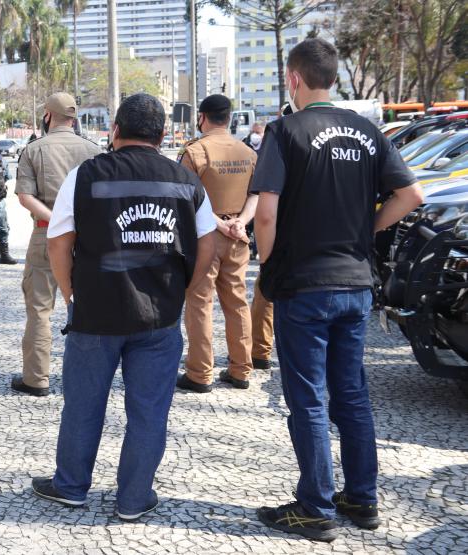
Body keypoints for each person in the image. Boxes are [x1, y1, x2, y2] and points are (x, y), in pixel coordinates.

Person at [252, 38, 423, 542]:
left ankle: (315, 507)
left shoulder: (285, 131)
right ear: (335, 78)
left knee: (307, 398)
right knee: (351, 394)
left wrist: (269, 262)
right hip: (355, 281)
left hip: (304, 283)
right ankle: (362, 498)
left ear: (294, 79)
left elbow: (265, 212)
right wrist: (365, 231)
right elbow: (412, 194)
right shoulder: (370, 131)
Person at [30, 93, 216, 521]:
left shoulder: (86, 175)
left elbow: (59, 241)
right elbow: (208, 243)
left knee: (83, 403)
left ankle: (71, 486)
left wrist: (70, 293)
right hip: (160, 316)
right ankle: (133, 498)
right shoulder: (185, 181)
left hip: (96, 313)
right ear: (164, 134)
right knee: (149, 411)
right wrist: (185, 286)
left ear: (114, 130)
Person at [13, 92, 103, 396]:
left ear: (47, 116)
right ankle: (89, 377)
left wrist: (56, 221)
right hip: (88, 236)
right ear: (74, 118)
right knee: (91, 306)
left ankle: (36, 379)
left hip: (46, 233)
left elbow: (25, 197)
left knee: (40, 308)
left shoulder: (33, 150)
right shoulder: (93, 150)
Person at [176, 93, 258, 393]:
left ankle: (200, 373)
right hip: (238, 235)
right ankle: (241, 369)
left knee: (200, 302)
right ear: (230, 117)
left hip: (206, 236)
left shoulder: (195, 152)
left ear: (202, 117)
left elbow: (186, 197)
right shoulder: (248, 152)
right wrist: (240, 222)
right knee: (237, 302)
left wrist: (217, 222)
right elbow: (256, 194)